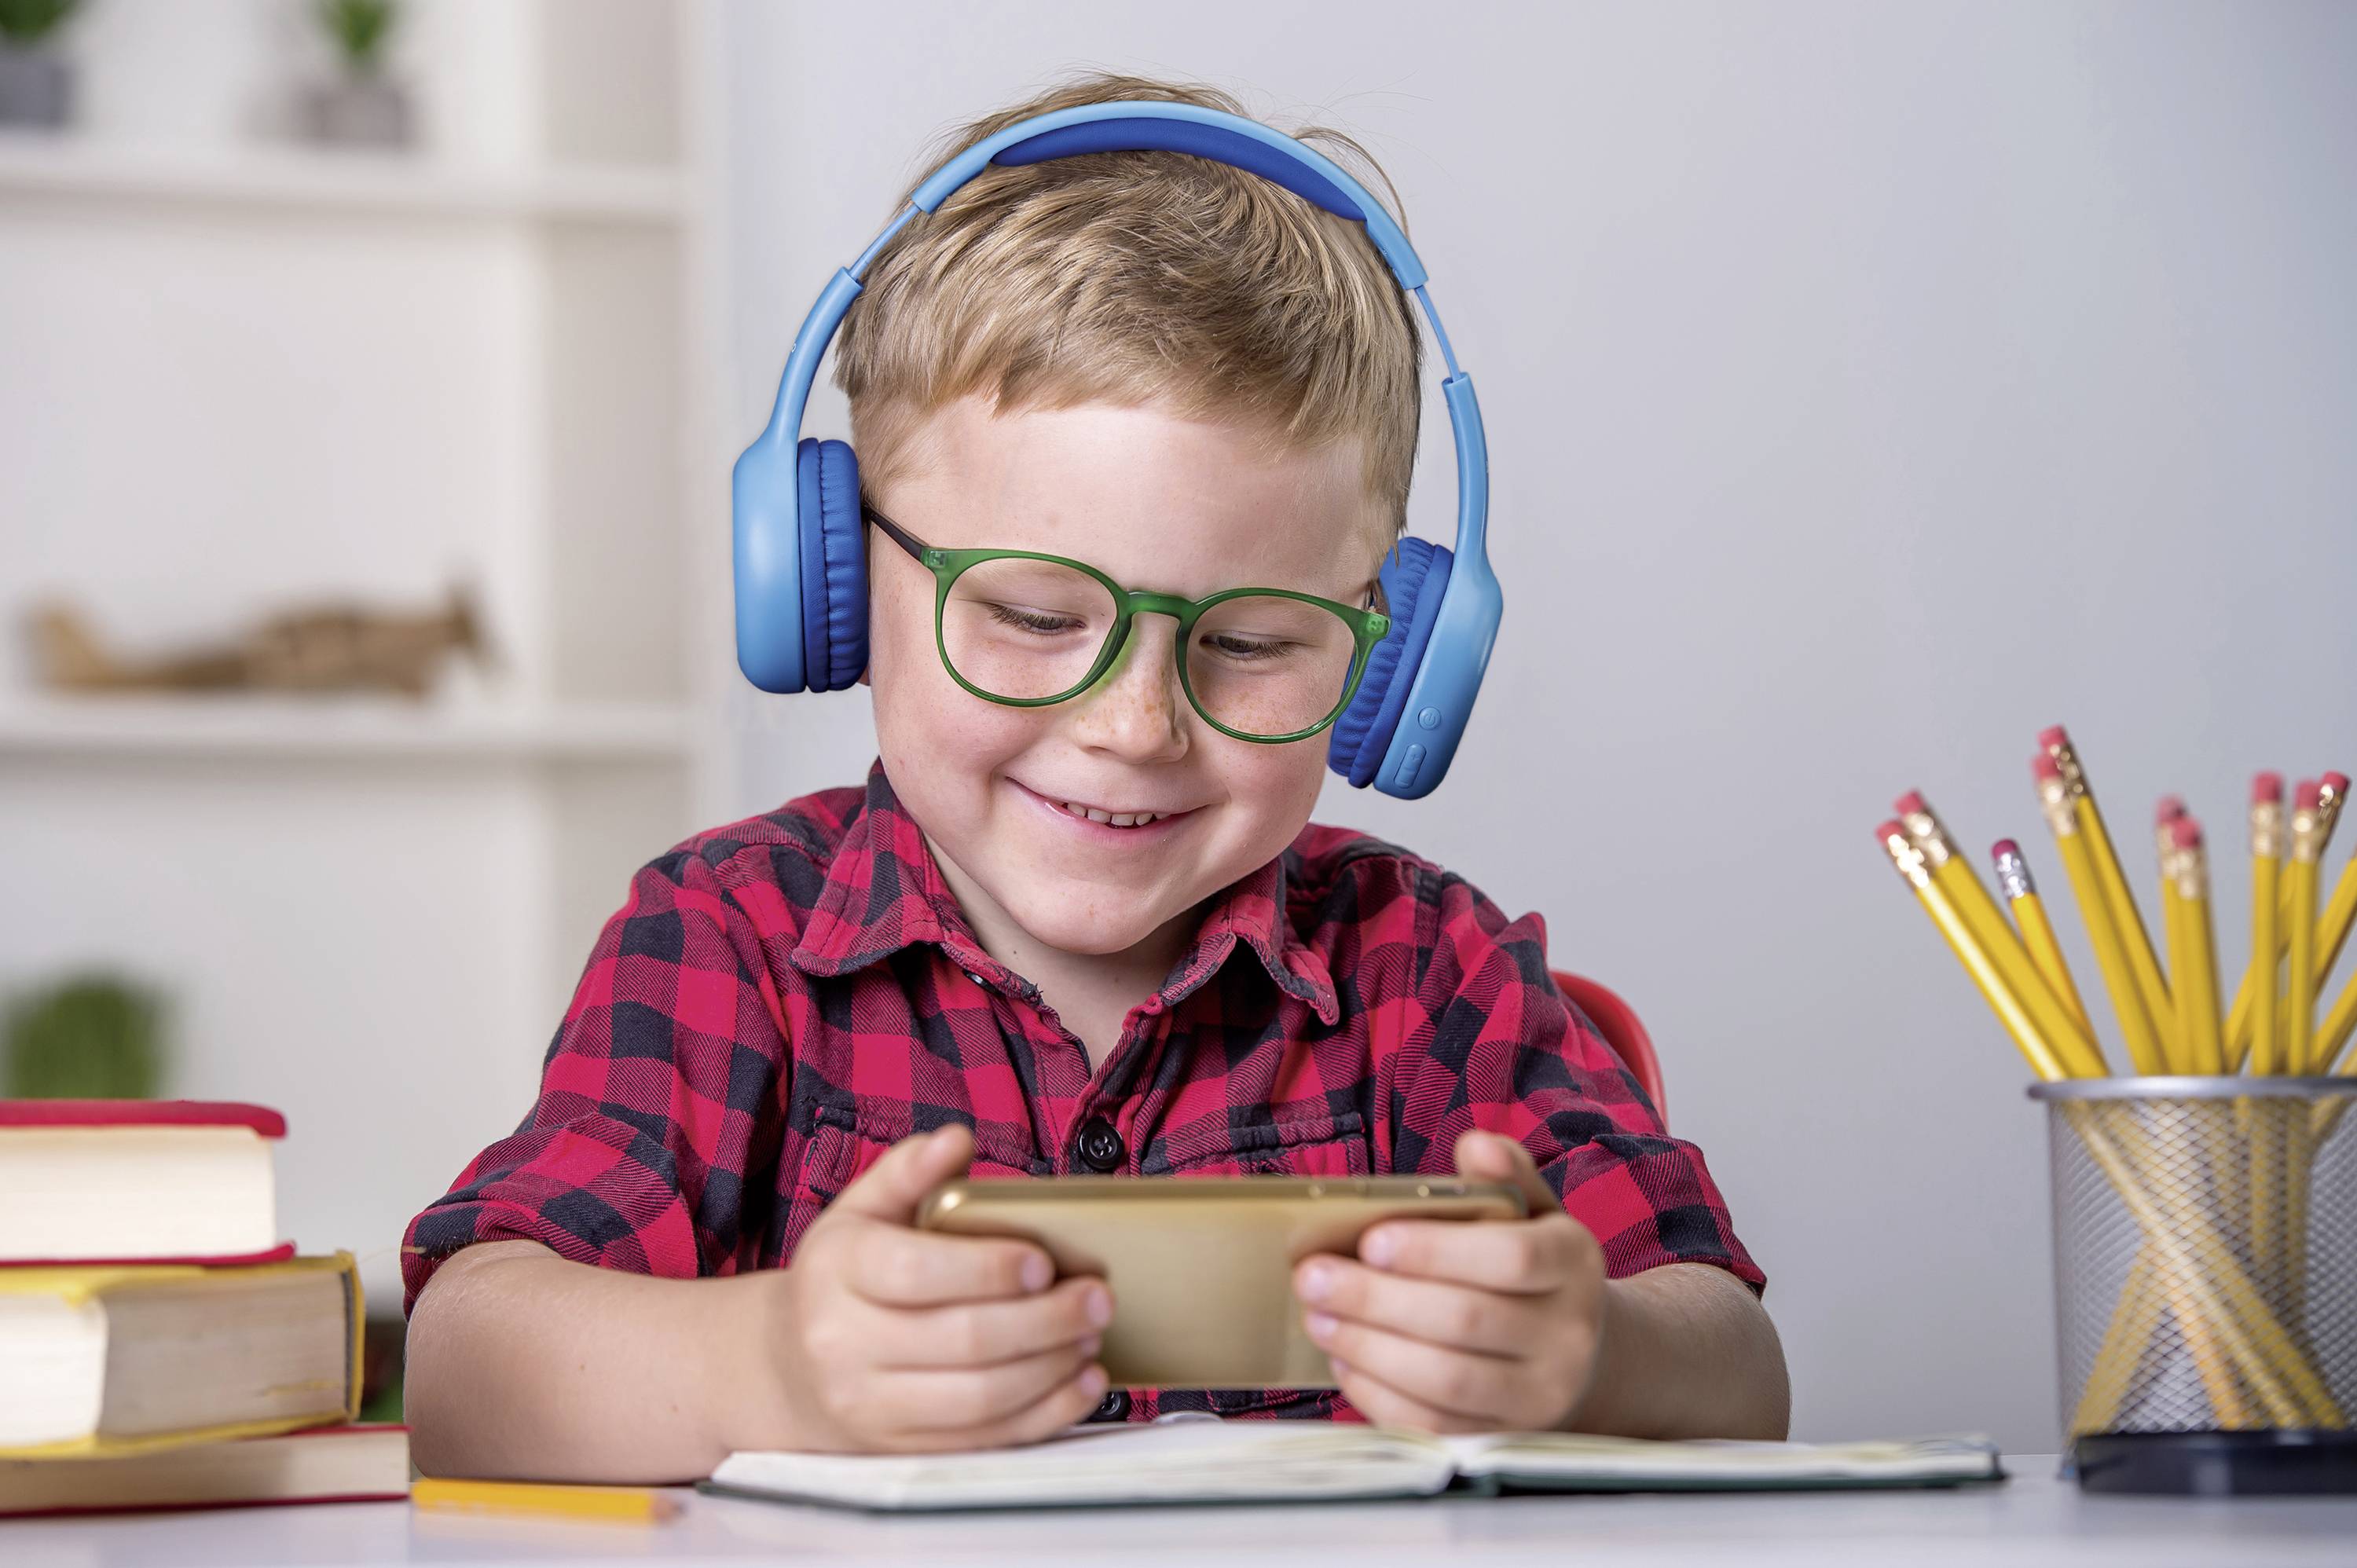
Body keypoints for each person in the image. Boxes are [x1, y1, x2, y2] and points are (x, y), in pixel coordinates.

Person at [399, 71, 1787, 1484]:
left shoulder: (1430, 972)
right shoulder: (729, 936)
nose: (1135, 726)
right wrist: (768, 1365)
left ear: (1392, 657)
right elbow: (463, 1367)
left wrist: (1587, 1353)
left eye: (1250, 642)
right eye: (1032, 615)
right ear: (831, 584)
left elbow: (1738, 1370)